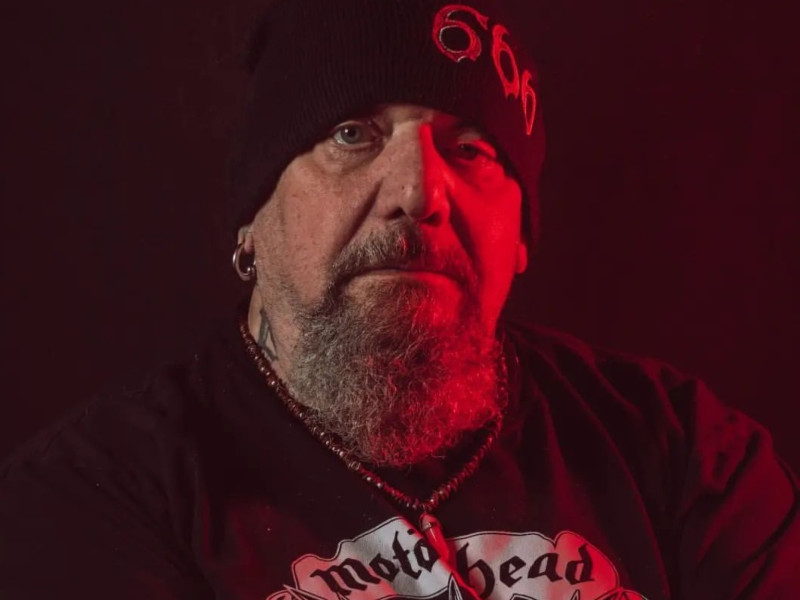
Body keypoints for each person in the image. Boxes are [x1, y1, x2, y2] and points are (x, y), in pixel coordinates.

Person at [0, 0, 797, 598]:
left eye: (471, 149)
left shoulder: (689, 459)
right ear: (252, 222)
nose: (418, 191)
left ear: (521, 238)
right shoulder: (98, 497)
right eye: (352, 133)